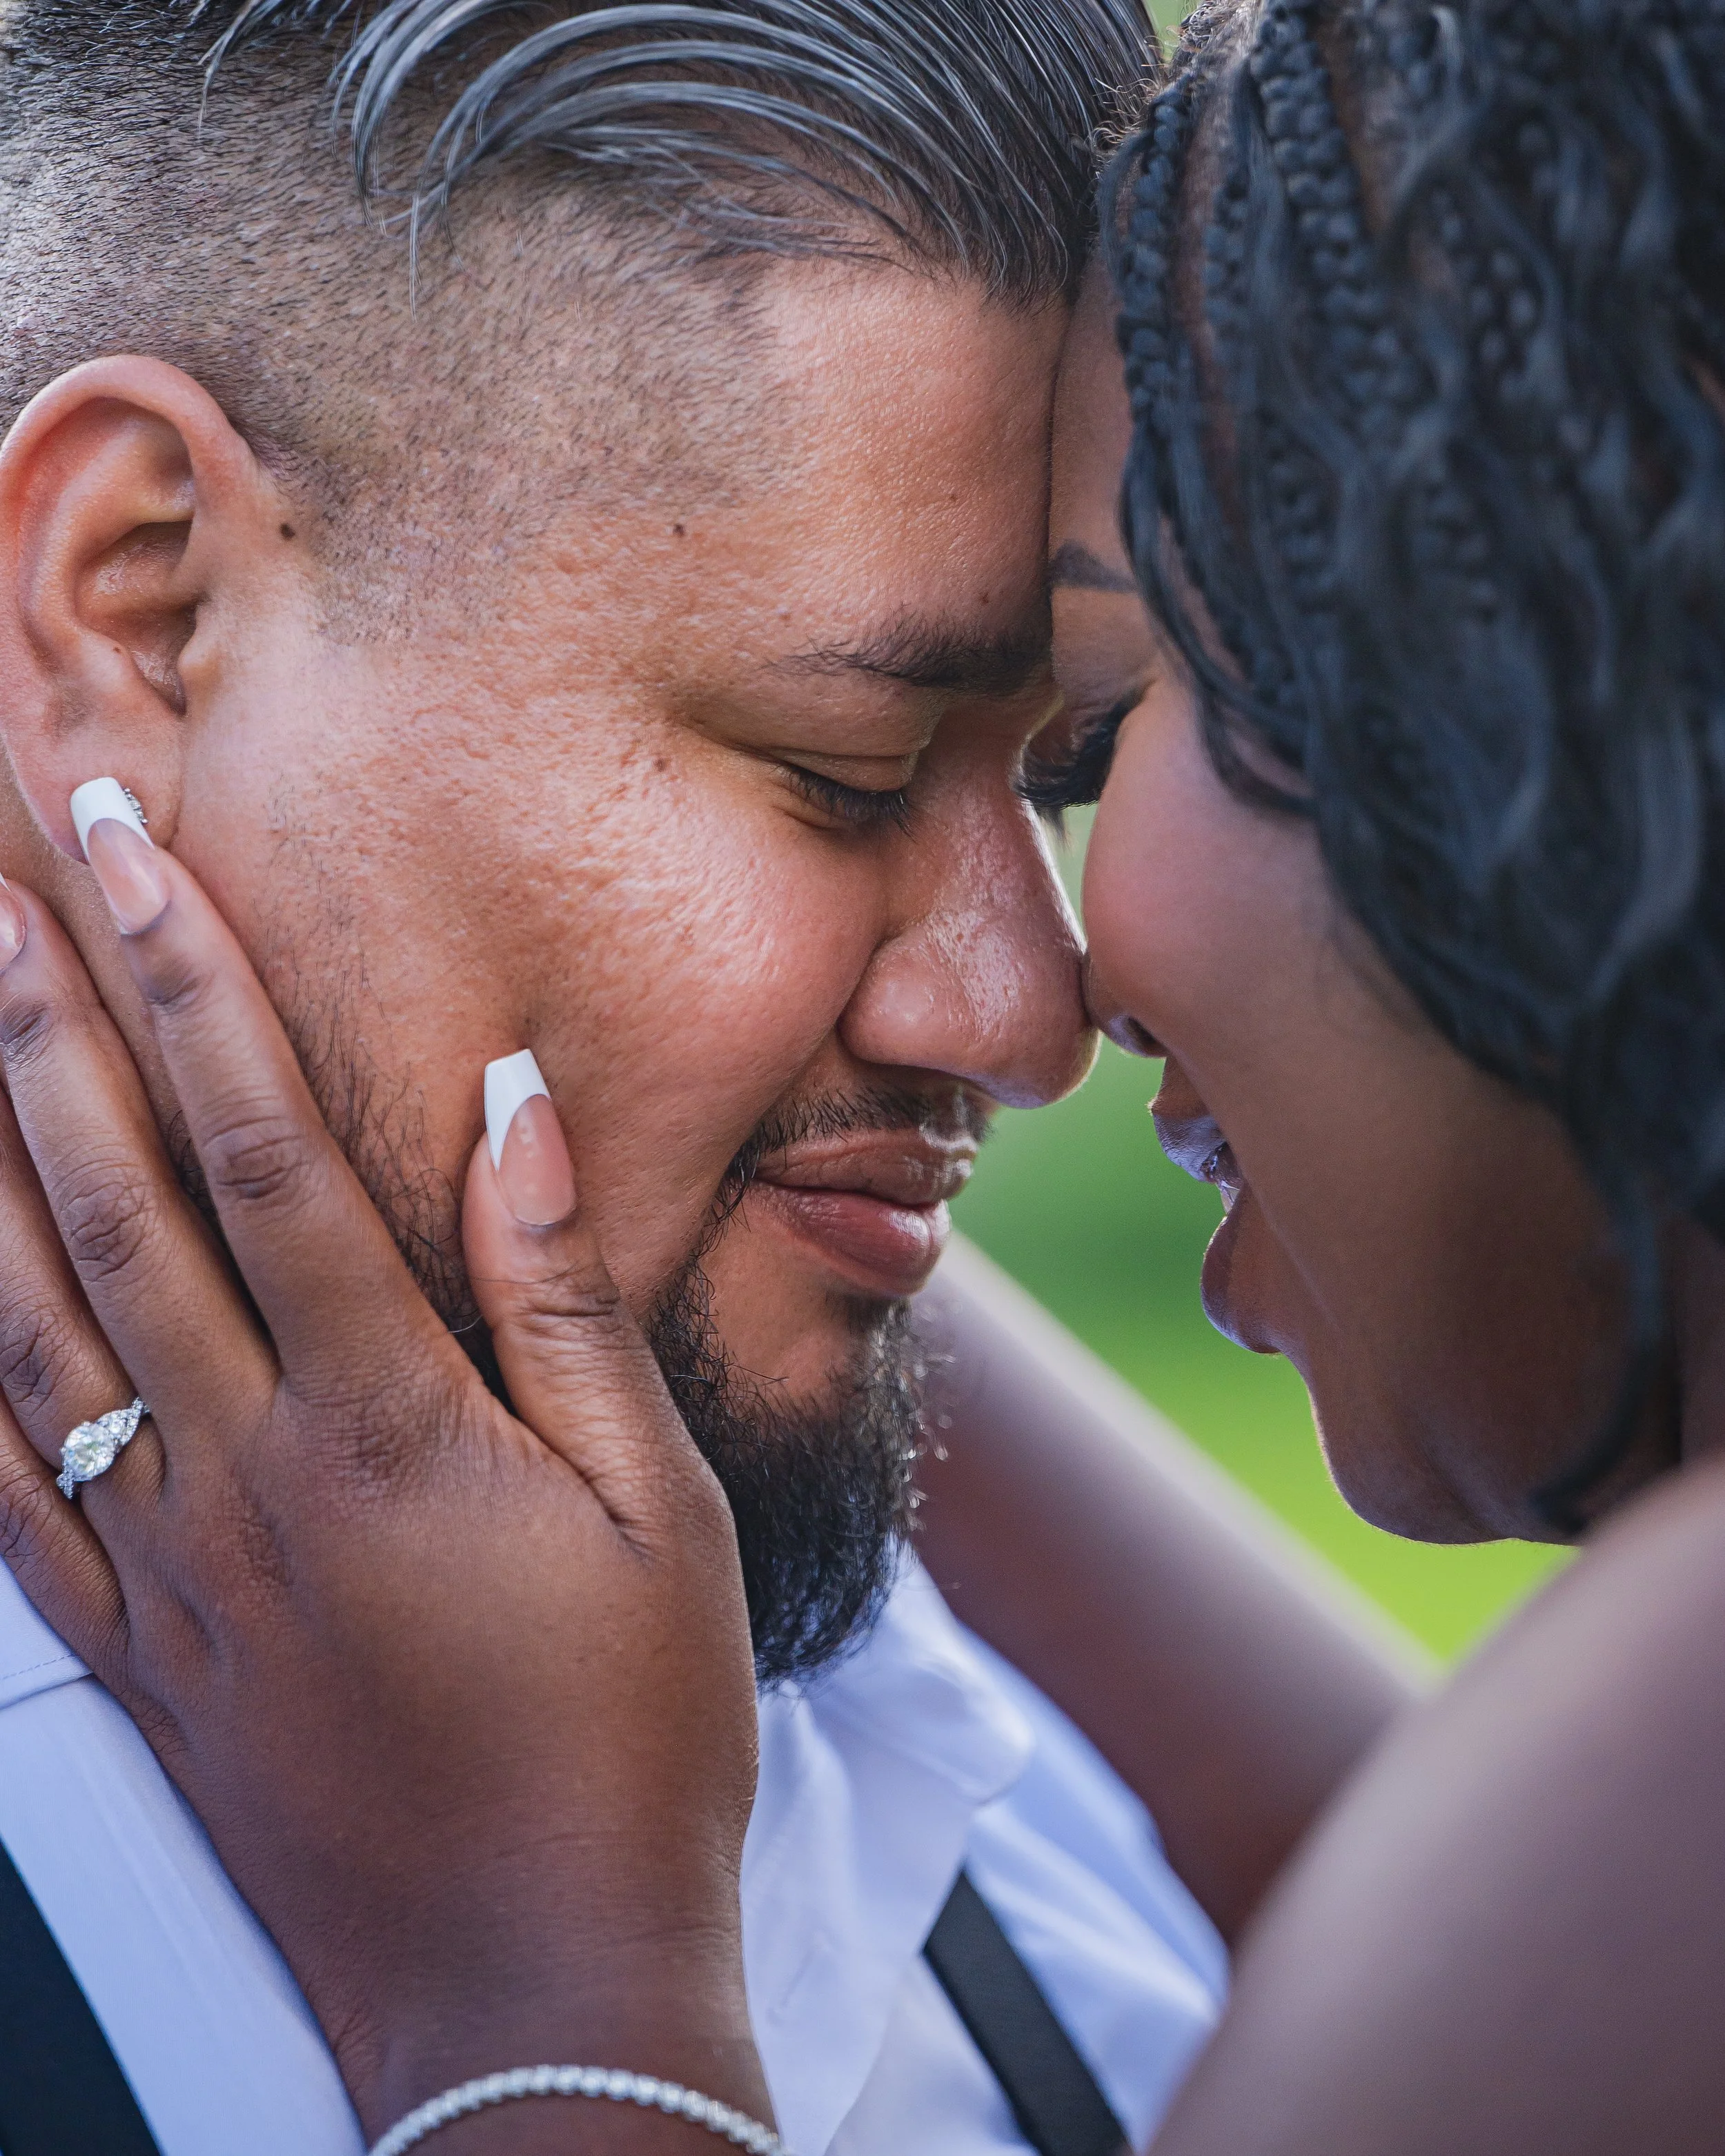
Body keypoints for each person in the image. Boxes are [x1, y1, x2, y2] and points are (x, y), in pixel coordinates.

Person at [10, 0, 1722, 2147]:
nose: (1025, 1013)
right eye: (840, 773)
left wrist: (558, 2012)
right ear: (143, 603)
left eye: (1075, 766)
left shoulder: (1039, 1798)